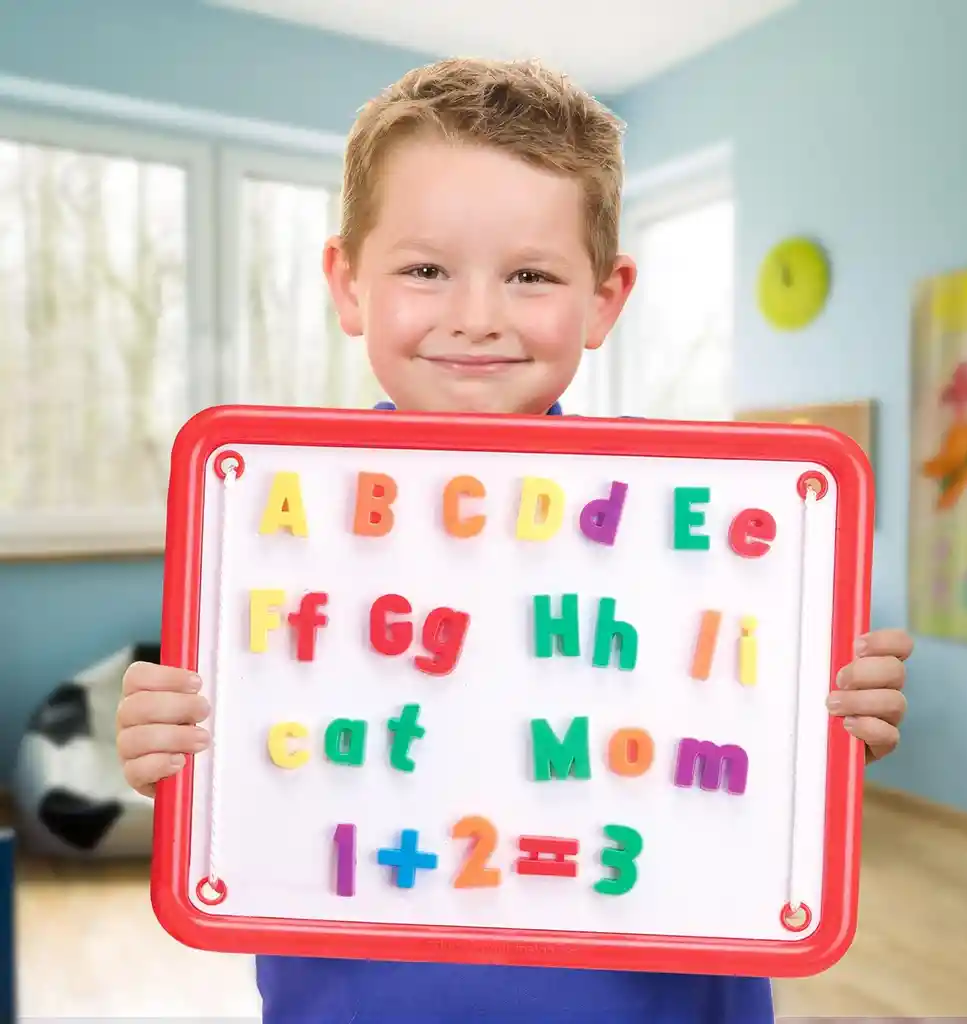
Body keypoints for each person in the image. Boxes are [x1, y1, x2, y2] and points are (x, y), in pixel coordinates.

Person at [116, 57, 912, 1023]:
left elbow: (732, 740)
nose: (478, 317)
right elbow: (267, 779)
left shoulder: (699, 534)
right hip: (359, 999)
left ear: (605, 300)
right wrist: (182, 750)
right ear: (348, 282)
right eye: (424, 269)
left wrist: (813, 727)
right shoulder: (274, 525)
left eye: (531, 275)